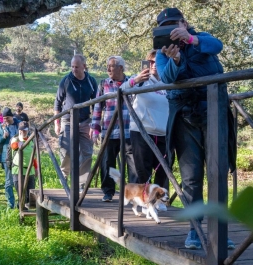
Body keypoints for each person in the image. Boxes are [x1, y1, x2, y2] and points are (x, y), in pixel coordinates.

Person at [155, 7, 236, 249]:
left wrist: (191, 39)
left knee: (218, 173)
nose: (172, 28)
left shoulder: (204, 38)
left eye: (175, 23)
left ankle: (220, 232)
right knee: (191, 178)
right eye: (166, 25)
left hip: (215, 113)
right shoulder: (163, 53)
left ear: (184, 22)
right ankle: (195, 231)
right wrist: (176, 60)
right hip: (183, 117)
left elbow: (217, 46)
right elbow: (167, 78)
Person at [89, 55, 139, 202]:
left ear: (121, 68)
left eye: (111, 66)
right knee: (107, 162)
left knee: (132, 164)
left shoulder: (132, 83)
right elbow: (98, 107)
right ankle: (108, 192)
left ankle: (133, 194)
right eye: (108, 65)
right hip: (109, 131)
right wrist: (95, 128)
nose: (108, 69)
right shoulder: (103, 84)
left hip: (129, 131)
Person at [122, 50, 169, 190]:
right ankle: (144, 202)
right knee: (143, 171)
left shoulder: (169, 80)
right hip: (142, 131)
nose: (154, 65)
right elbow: (120, 90)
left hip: (163, 132)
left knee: (164, 169)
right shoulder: (141, 80)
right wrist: (135, 81)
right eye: (151, 62)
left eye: (157, 61)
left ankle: (158, 199)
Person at [54, 54, 98, 192]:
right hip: (67, 120)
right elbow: (57, 103)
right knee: (66, 151)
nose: (74, 69)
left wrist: (96, 125)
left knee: (87, 152)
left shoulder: (91, 81)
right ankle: (64, 177)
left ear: (84, 66)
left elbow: (97, 103)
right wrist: (57, 123)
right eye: (72, 67)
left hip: (85, 121)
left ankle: (80, 183)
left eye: (77, 67)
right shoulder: (66, 80)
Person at [0, 107, 20, 209]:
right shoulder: (0, 127)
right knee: (9, 182)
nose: (5, 120)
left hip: (22, 158)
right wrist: (3, 137)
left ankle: (22, 203)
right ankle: (10, 205)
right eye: (4, 118)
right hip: (7, 158)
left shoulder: (19, 125)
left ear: (12, 116)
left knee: (21, 181)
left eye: (7, 118)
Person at [10, 121, 36, 207]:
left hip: (30, 171)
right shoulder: (16, 139)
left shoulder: (31, 140)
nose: (23, 132)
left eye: (25, 130)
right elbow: (13, 146)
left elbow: (34, 157)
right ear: (19, 130)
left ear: (28, 130)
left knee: (30, 196)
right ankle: (21, 213)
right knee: (21, 195)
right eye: (21, 130)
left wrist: (36, 169)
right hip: (18, 171)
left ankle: (28, 211)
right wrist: (18, 144)